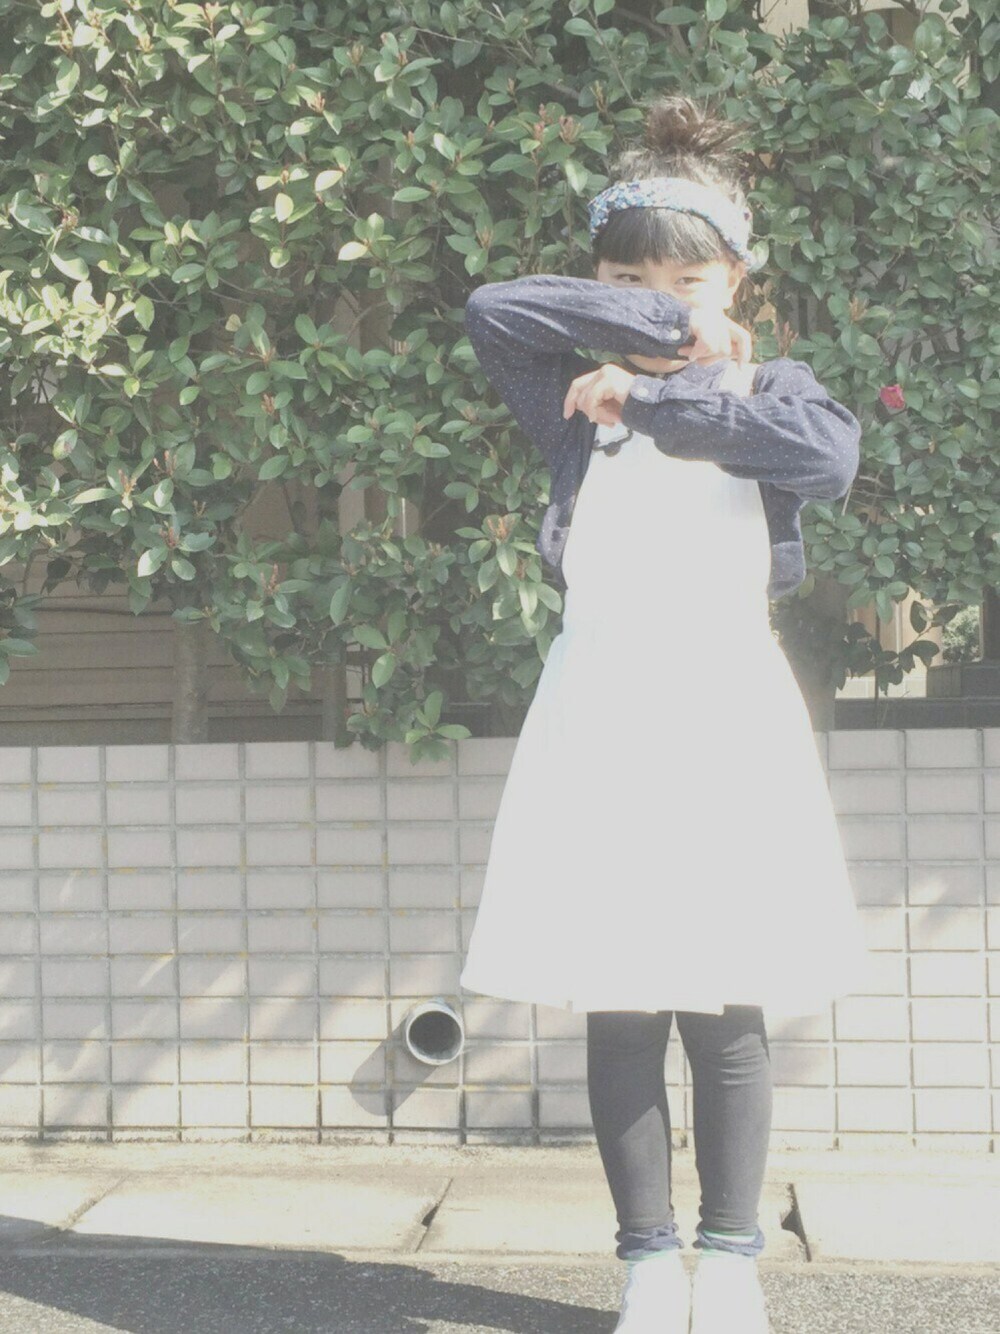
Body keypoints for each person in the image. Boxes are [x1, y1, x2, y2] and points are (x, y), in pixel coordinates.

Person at [458, 93, 871, 1334]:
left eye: (688, 277)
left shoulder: (774, 390)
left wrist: (649, 397)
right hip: (600, 718)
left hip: (726, 719)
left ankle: (730, 1261)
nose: (658, 300)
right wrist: (650, 329)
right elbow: (491, 310)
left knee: (726, 1006)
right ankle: (646, 1263)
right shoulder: (563, 400)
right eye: (626, 279)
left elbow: (823, 463)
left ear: (740, 276)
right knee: (622, 1003)